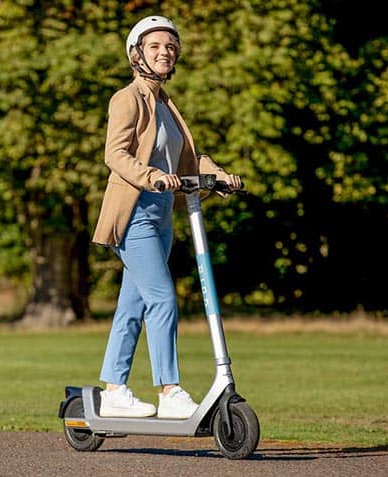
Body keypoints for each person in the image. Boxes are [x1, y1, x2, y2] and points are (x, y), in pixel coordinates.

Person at [92, 15, 242, 419]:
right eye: (156, 46)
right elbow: (116, 154)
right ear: (136, 54)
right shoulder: (127, 98)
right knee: (161, 298)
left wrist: (219, 175)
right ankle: (170, 389)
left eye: (171, 47)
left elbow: (189, 161)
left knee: (132, 306)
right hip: (135, 213)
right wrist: (153, 176)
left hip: (162, 217)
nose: (165, 52)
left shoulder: (168, 108)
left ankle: (114, 389)